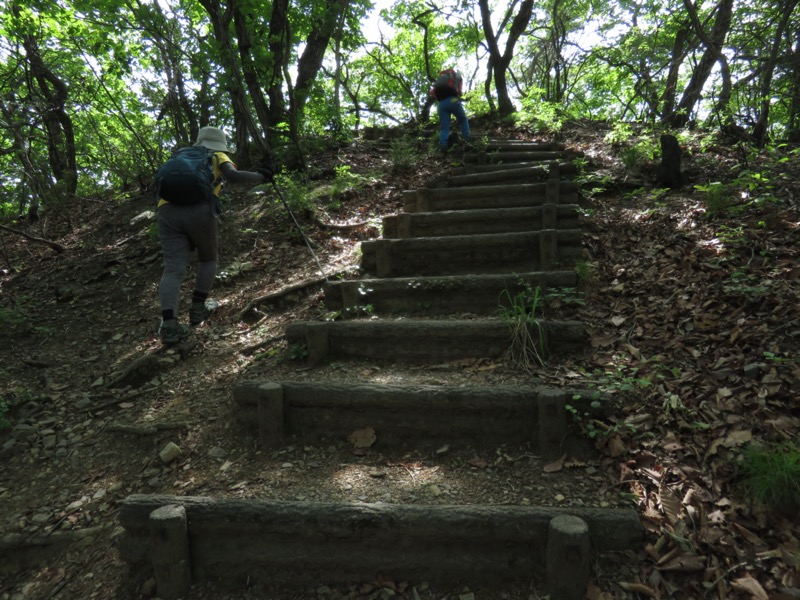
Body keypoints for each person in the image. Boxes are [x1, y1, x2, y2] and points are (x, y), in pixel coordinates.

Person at [157, 126, 273, 345]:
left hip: (167, 211)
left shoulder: (179, 155)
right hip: (201, 209)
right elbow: (234, 176)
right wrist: (261, 175)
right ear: (220, 144)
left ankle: (169, 325)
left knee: (173, 269)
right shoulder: (218, 155)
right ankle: (198, 310)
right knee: (208, 259)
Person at [429, 70, 470, 153]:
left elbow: (432, 92)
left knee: (445, 127)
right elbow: (459, 91)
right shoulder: (457, 78)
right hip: (453, 100)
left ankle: (443, 145)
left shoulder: (440, 81)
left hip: (442, 104)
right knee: (463, 119)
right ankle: (467, 140)